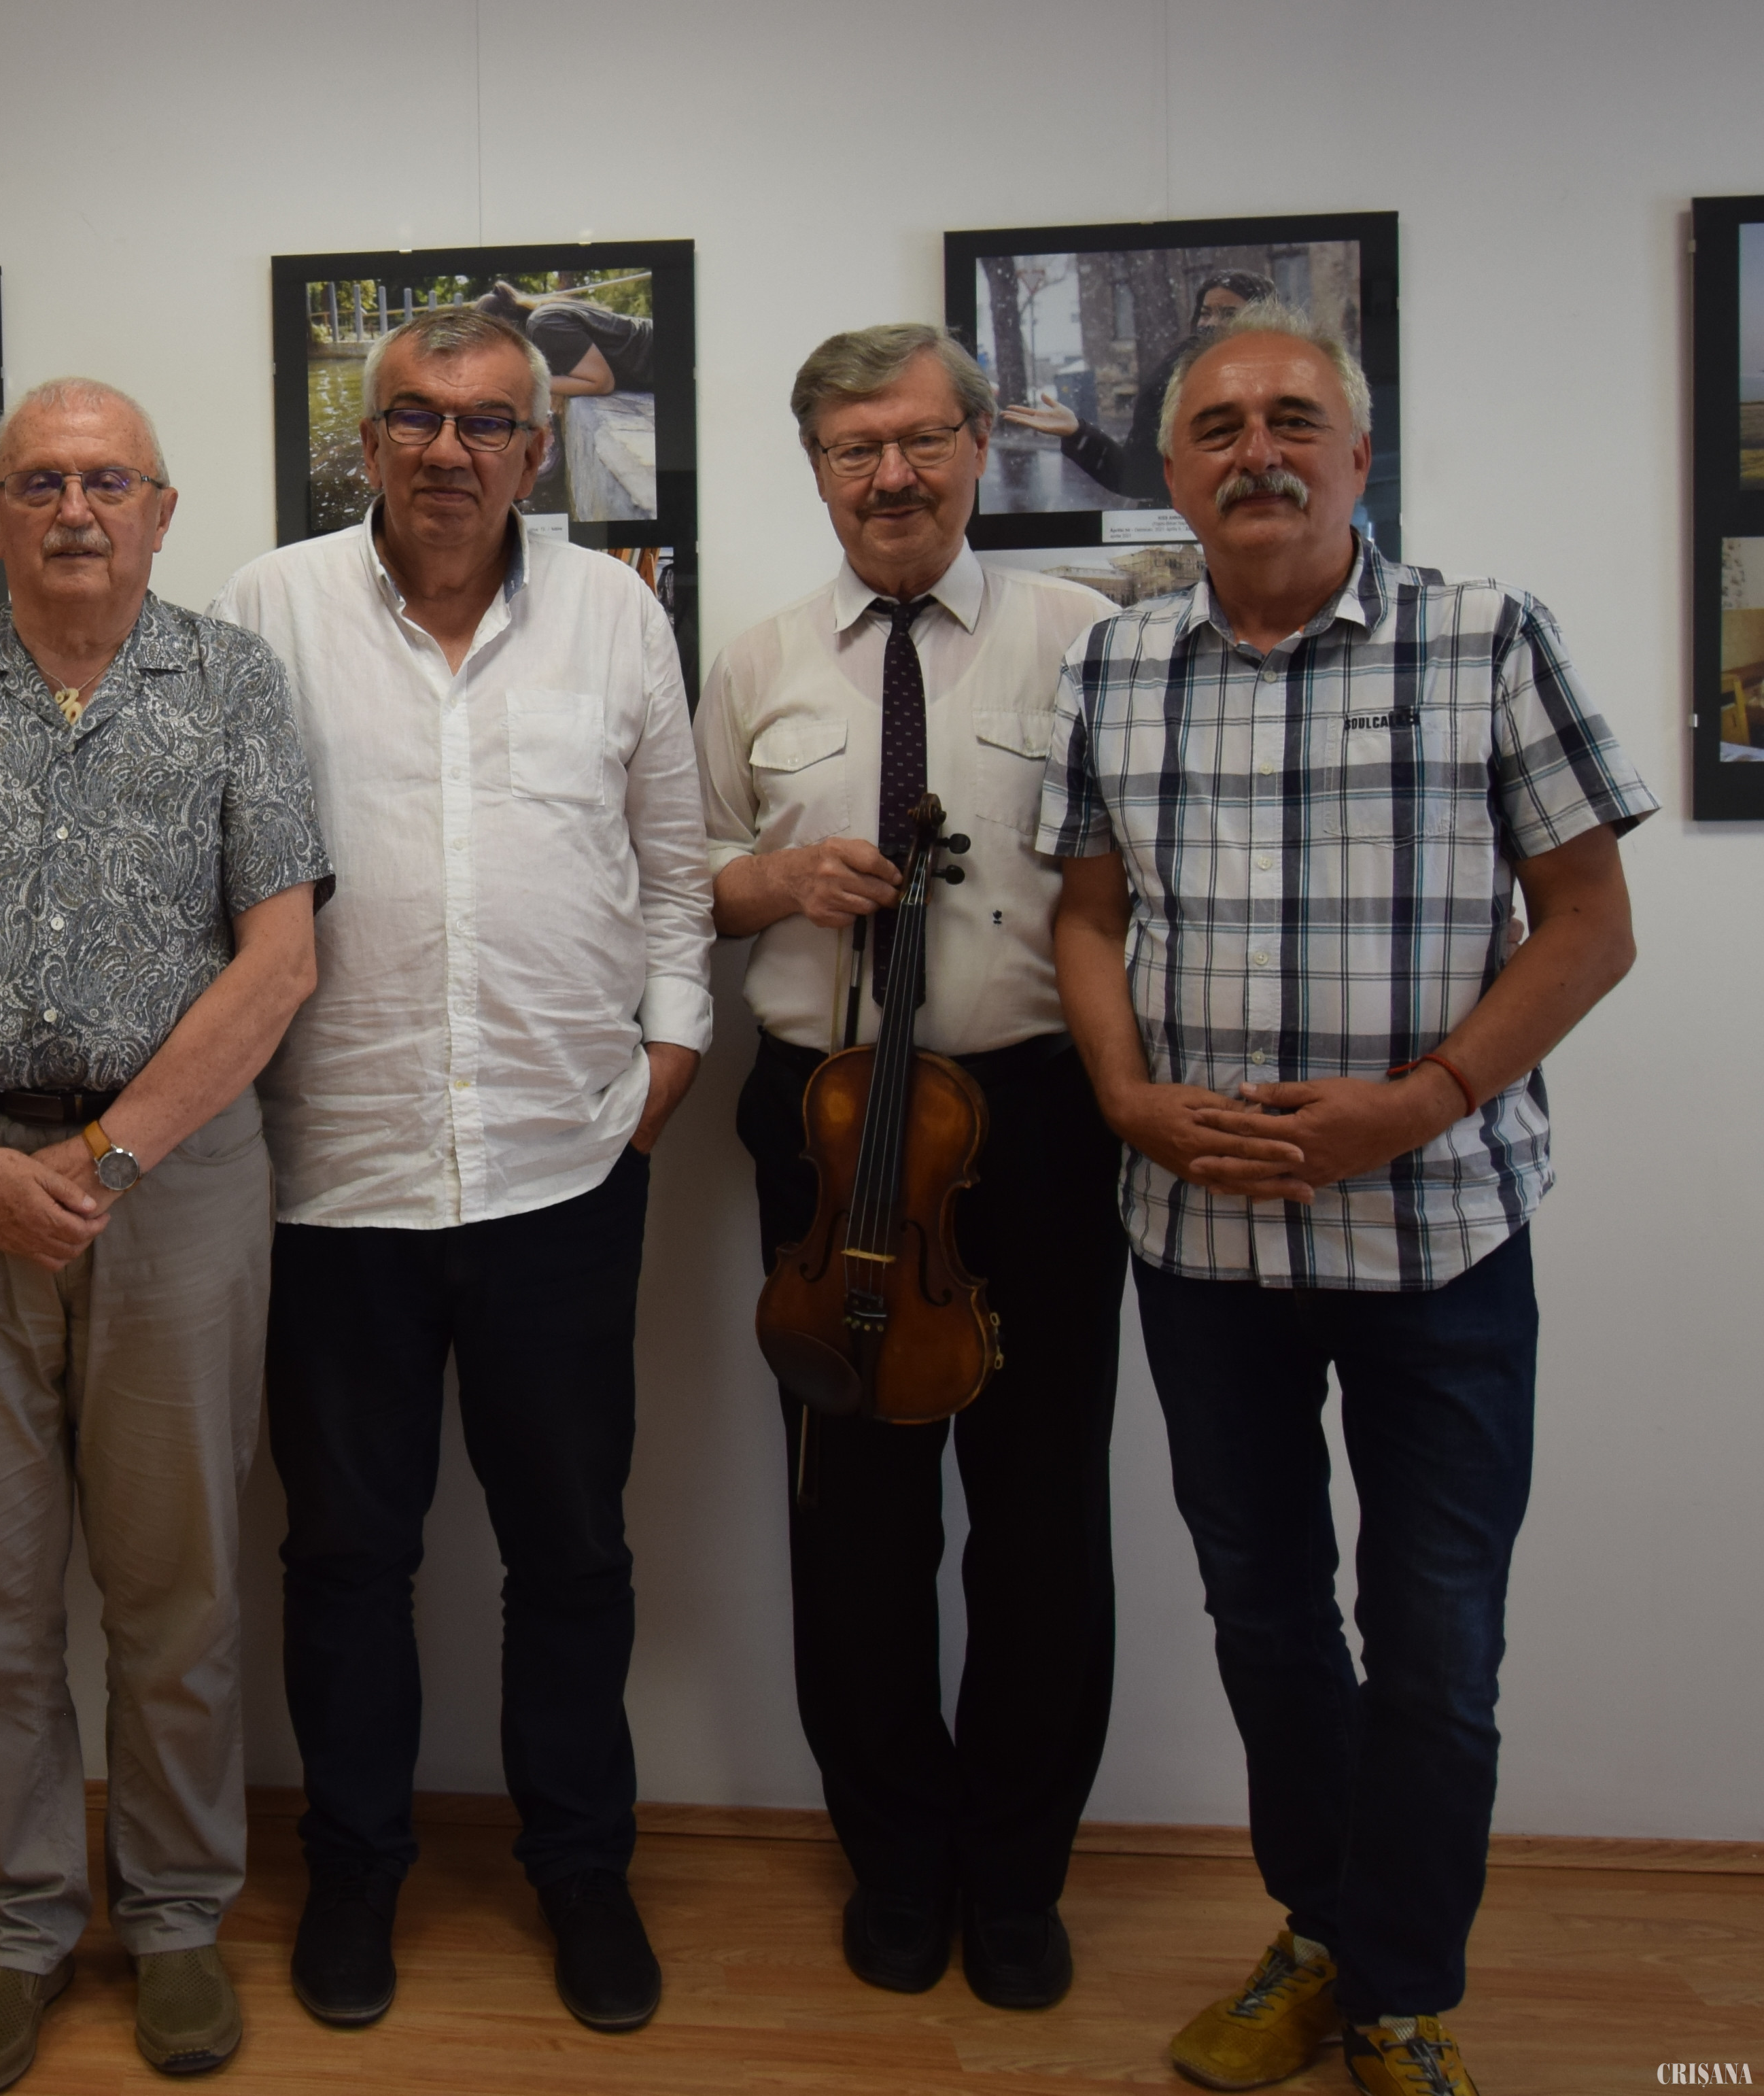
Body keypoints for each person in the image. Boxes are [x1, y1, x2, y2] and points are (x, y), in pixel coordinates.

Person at [1041, 302, 1651, 2096]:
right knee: (1264, 1613)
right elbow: (1085, 913)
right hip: (1204, 1243)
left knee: (1439, 1636)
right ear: (1172, 475)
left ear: (1360, 457)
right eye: (1217, 427)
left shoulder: (1485, 637)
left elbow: (1590, 924)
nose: (1257, 450)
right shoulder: (1116, 664)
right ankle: (1318, 1931)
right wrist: (1122, 1097)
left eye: (1293, 417)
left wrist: (1425, 1100)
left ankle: (1397, 1986)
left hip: (1440, 1231)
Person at [0, 377, 330, 2094]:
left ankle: (174, 1916)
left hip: (174, 1186)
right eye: (38, 481)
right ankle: (19, 1927)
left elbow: (279, 956)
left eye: (109, 480)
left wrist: (106, 1157)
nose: (75, 509)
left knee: (179, 1584)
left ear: (162, 511)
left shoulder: (233, 682)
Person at [211, 306, 706, 2039]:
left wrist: (669, 1050)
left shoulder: (617, 614)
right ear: (363, 443)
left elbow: (672, 866)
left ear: (535, 450)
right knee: (346, 1555)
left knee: (571, 1550)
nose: (447, 450)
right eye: (414, 417)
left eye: (486, 421)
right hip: (330, 1177)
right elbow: (211, 862)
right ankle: (356, 1869)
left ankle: (581, 1864)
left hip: (563, 1168)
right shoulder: (264, 609)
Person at [697, 322, 1126, 2012]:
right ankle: (893, 1857)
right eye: (853, 449)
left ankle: (1014, 1874)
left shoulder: (1084, 636)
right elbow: (686, 877)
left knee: (1040, 1511)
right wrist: (778, 877)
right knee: (853, 1514)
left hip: (1033, 1114)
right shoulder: (757, 659)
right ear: (816, 470)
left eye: (920, 441)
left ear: (976, 448)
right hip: (822, 1120)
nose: (890, 476)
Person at [1001, 269, 1273, 506]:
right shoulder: (1174, 376)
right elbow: (1137, 477)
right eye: (1206, 313)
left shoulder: (1284, 385)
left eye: (1229, 314)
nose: (1211, 323)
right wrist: (1078, 433)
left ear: (1262, 319)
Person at [475, 278, 653, 398]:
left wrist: (525, 383)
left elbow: (602, 382)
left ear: (504, 324)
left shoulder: (543, 324)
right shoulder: (542, 320)